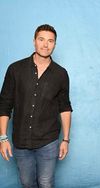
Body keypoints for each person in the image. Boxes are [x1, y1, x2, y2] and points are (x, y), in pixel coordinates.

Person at [0, 24, 72, 188]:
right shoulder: (15, 69)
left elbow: (65, 107)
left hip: (49, 141)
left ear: (55, 44)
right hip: (21, 141)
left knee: (46, 183)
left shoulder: (61, 74)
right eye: (41, 39)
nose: (46, 45)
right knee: (27, 183)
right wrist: (3, 137)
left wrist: (66, 140)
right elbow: (4, 104)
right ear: (34, 41)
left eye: (50, 41)